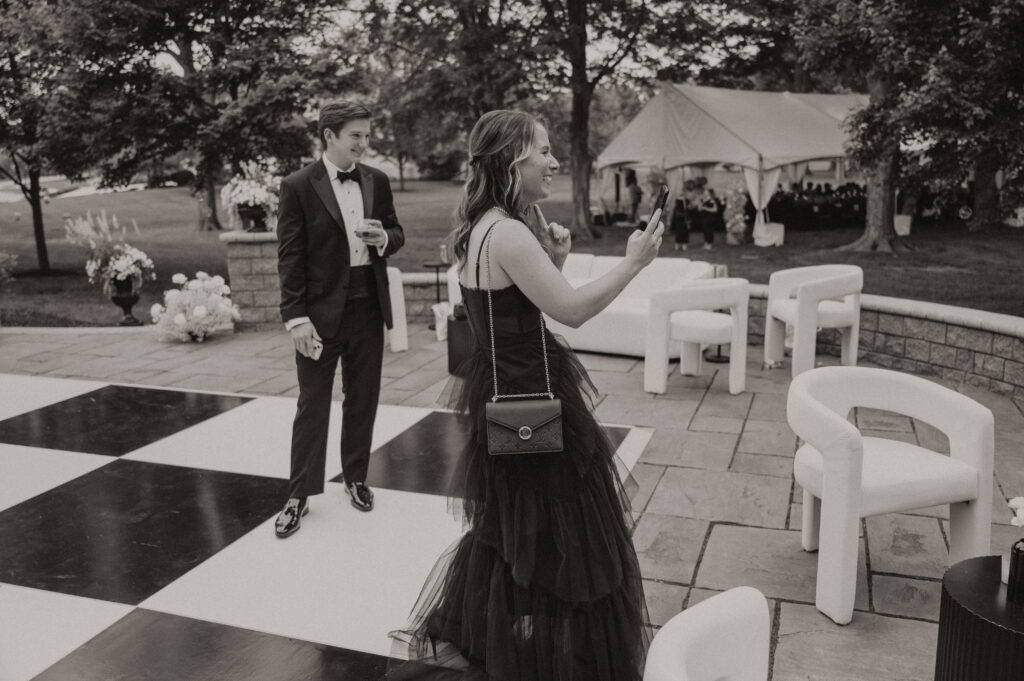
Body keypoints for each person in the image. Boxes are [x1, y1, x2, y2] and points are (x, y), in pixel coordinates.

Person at [389, 109, 658, 680]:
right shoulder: (509, 233)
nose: (554, 161)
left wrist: (553, 263)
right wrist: (634, 264)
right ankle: (574, 660)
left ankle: (495, 635)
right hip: (532, 398)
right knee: (569, 525)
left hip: (505, 393)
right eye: (543, 150)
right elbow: (573, 311)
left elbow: (511, 306)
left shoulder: (481, 228)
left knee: (517, 519)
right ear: (512, 160)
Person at [273, 101, 405, 538]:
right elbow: (289, 257)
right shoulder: (298, 186)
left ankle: (356, 478)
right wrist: (296, 319)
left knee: (362, 398)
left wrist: (384, 237)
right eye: (356, 136)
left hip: (369, 307)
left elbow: (397, 232)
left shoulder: (377, 180)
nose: (364, 143)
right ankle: (298, 495)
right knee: (312, 404)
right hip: (319, 314)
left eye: (367, 135)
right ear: (329, 136)